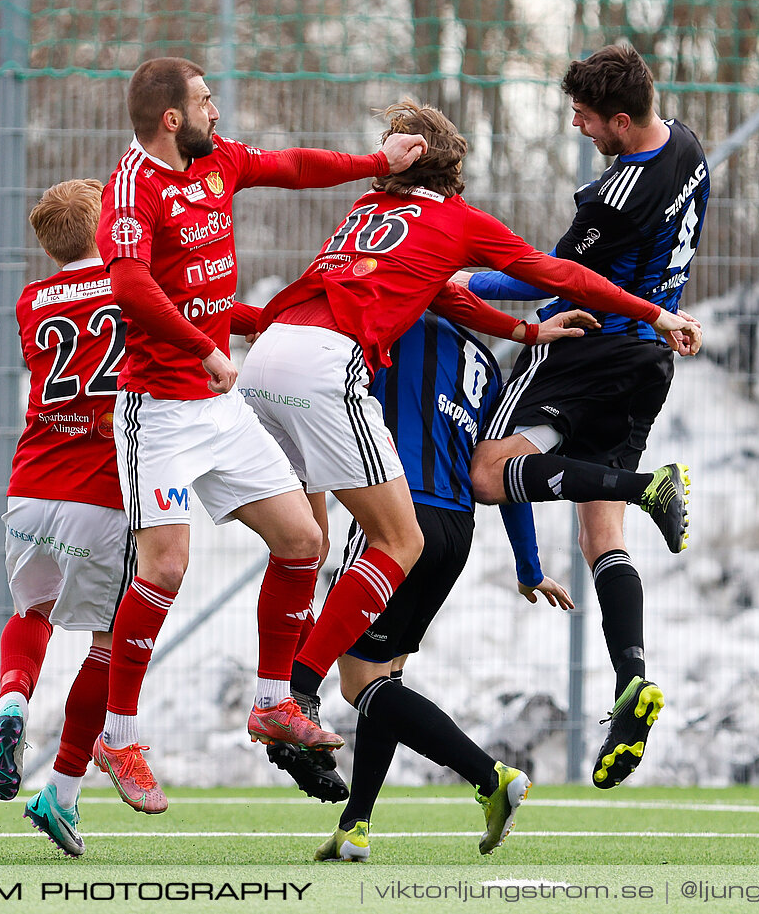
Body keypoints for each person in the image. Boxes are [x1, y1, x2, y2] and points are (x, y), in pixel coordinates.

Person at [236, 99, 700, 797]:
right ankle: (293, 697)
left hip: (269, 356)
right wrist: (653, 310)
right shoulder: (455, 228)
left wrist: (210, 316)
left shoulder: (364, 210)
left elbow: (424, 292)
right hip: (417, 468)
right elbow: (561, 276)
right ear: (453, 173)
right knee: (397, 546)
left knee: (303, 544)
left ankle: (313, 741)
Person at [92, 56, 426, 814]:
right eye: (206, 101)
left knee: (302, 539)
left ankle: (275, 699)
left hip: (219, 409)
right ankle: (120, 735)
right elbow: (131, 284)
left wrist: (379, 162)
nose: (218, 111)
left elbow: (295, 166)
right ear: (172, 118)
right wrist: (206, 347)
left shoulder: (220, 162)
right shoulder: (133, 186)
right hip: (161, 411)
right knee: (167, 567)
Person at [462, 43, 709, 790]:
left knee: (486, 471)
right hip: (648, 363)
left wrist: (451, 274)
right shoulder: (689, 145)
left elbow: (547, 276)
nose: (576, 125)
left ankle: (648, 488)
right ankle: (632, 678)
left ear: (623, 119)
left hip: (584, 348)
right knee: (601, 535)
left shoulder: (615, 197)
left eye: (586, 116)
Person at [309, 311, 574, 862]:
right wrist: (529, 567)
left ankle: (489, 777)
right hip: (456, 532)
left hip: (396, 519)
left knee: (359, 685)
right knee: (386, 677)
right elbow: (504, 472)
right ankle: (355, 825)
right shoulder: (483, 362)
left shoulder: (391, 327)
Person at [0, 178, 127, 856]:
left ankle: (12, 702)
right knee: (109, 637)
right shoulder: (126, 281)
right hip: (101, 486)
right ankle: (64, 792)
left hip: (32, 481)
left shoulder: (29, 298)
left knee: (31, 610)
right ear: (105, 229)